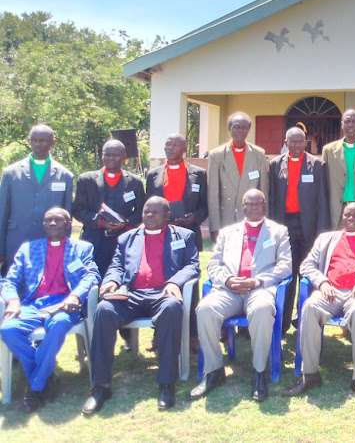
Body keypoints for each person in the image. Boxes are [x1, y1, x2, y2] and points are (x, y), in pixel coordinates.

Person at [81, 197, 200, 414]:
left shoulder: (184, 236)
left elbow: (192, 265)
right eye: (146, 212)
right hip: (132, 295)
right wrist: (111, 281)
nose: (149, 216)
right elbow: (117, 265)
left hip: (163, 293)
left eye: (156, 212)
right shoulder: (127, 238)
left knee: (173, 308)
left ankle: (166, 384)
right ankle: (100, 386)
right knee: (104, 310)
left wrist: (174, 282)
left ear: (167, 216)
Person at [282, 203, 355, 403]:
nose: (351, 219)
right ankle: (309, 374)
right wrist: (323, 282)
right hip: (329, 293)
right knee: (308, 308)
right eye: (347, 215)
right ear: (342, 217)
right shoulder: (326, 239)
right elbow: (306, 265)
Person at [191, 189, 291, 402]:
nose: (254, 208)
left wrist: (257, 281)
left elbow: (285, 266)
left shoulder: (279, 232)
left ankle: (259, 372)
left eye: (258, 204)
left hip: (259, 289)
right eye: (249, 204)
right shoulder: (228, 232)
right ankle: (214, 370)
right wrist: (227, 280)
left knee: (264, 310)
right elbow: (214, 263)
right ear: (242, 207)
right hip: (230, 290)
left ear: (265, 205)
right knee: (205, 309)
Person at [0, 208, 99, 412]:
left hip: (64, 304)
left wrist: (75, 296)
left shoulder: (82, 248)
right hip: (33, 305)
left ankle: (35, 389)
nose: (52, 224)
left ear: (69, 224)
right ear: (43, 225)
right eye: (48, 221)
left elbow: (91, 276)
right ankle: (44, 376)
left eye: (58, 220)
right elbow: (10, 281)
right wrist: (12, 301)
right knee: (7, 329)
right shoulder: (28, 249)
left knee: (60, 323)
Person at [146, 133, 208, 351]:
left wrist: (193, 218)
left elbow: (204, 206)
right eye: (167, 144)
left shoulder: (198, 174)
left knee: (191, 283)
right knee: (159, 281)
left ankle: (192, 335)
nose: (169, 148)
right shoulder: (153, 174)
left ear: (184, 148)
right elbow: (149, 207)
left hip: (187, 234)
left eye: (174, 145)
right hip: (159, 236)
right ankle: (158, 333)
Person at [268, 126, 329, 333]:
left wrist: (322, 230)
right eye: (292, 141)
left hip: (309, 227)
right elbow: (272, 199)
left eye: (300, 141)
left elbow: (323, 199)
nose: (296, 145)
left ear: (306, 143)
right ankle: (284, 322)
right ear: (285, 143)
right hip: (284, 227)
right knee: (286, 274)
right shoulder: (275, 165)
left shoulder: (318, 165)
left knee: (309, 273)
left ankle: (306, 320)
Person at [0, 125, 73, 274]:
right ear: (29, 142)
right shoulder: (11, 173)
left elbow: (67, 217)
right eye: (34, 140)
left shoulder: (65, 175)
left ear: (53, 143)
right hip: (16, 240)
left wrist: (65, 247)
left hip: (48, 239)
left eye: (43, 141)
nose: (38, 144)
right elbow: (2, 213)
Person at [73, 139, 146, 278]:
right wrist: (100, 222)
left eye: (116, 155)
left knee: (119, 278)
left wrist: (127, 222)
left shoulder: (134, 182)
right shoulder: (87, 179)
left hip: (122, 239)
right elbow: (78, 209)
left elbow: (141, 211)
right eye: (107, 154)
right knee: (91, 278)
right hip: (94, 239)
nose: (111, 158)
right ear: (102, 156)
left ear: (124, 156)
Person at [207, 111, 269, 242]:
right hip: (226, 219)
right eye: (236, 126)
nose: (240, 130)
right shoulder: (216, 155)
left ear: (248, 130)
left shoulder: (258, 154)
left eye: (244, 127)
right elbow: (213, 193)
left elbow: (264, 190)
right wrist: (214, 226)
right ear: (230, 128)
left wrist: (265, 220)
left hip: (253, 218)